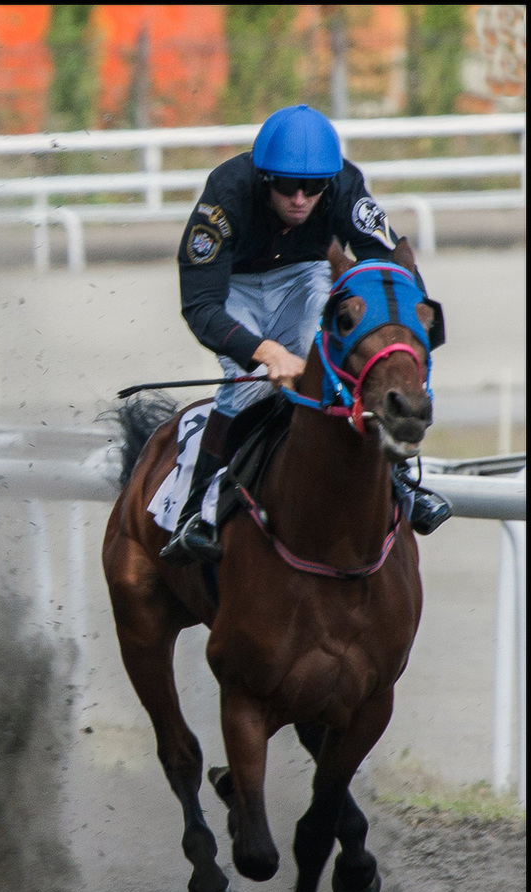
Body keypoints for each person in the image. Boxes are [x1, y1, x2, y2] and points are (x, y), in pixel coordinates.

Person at [161, 103, 451, 565]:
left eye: (313, 187)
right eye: (286, 186)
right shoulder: (226, 194)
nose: (300, 199)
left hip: (306, 275)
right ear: (263, 178)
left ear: (328, 182)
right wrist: (262, 351)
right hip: (233, 286)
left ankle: (400, 483)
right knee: (246, 392)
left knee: (337, 373)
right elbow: (200, 306)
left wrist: (406, 335)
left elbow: (394, 273)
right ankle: (199, 508)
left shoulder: (344, 187)